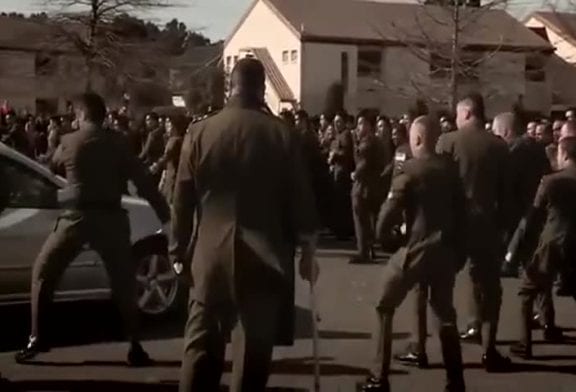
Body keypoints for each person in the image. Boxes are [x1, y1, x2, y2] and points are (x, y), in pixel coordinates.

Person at [171, 58, 319, 392]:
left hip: (209, 256)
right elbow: (300, 199)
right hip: (263, 257)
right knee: (252, 354)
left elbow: (181, 199)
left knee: (199, 349)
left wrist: (177, 249)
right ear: (262, 88)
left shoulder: (199, 131)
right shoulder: (282, 134)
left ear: (231, 87)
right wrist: (308, 248)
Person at [15, 93, 171, 365]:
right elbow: (145, 183)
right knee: (124, 284)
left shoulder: (68, 141)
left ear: (81, 115)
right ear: (102, 116)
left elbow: (47, 172)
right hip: (112, 219)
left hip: (75, 219)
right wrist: (166, 218)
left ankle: (37, 338)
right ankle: (135, 346)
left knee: (43, 273)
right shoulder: (119, 143)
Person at [361, 116, 466, 392]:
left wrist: (384, 238)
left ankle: (378, 377)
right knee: (445, 315)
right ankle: (456, 381)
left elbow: (388, 213)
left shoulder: (409, 170)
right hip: (444, 250)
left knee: (384, 305)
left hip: (415, 249)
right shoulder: (450, 170)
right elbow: (463, 211)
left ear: (417, 139)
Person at [437, 93, 512, 372]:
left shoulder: (447, 141)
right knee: (490, 289)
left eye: (458, 114)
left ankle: (446, 349)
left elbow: (438, 182)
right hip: (486, 224)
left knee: (441, 287)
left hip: (453, 223)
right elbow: (506, 195)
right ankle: (488, 349)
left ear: (467, 113)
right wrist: (503, 225)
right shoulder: (499, 147)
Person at [508, 134, 576, 359]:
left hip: (552, 241)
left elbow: (531, 217)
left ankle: (524, 343)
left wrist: (513, 249)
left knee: (527, 291)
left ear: (563, 154)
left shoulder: (550, 182)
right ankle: (550, 325)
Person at [350, 111, 387, 264]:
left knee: (361, 219)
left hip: (363, 185)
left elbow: (362, 163)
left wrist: (355, 174)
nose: (359, 127)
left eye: (362, 123)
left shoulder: (367, 142)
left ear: (369, 126)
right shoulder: (377, 141)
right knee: (369, 220)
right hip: (374, 184)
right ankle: (369, 248)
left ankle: (363, 251)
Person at [328, 112, 356, 239]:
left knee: (342, 202)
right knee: (338, 202)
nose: (336, 124)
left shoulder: (346, 135)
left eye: (339, 121)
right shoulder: (337, 136)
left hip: (343, 172)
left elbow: (346, 153)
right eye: (335, 122)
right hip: (336, 171)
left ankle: (344, 230)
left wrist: (335, 155)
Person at [150, 115, 187, 204]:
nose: (167, 127)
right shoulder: (183, 139)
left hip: (172, 175)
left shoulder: (174, 140)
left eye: (169, 125)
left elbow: (167, 155)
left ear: (175, 127)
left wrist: (156, 165)